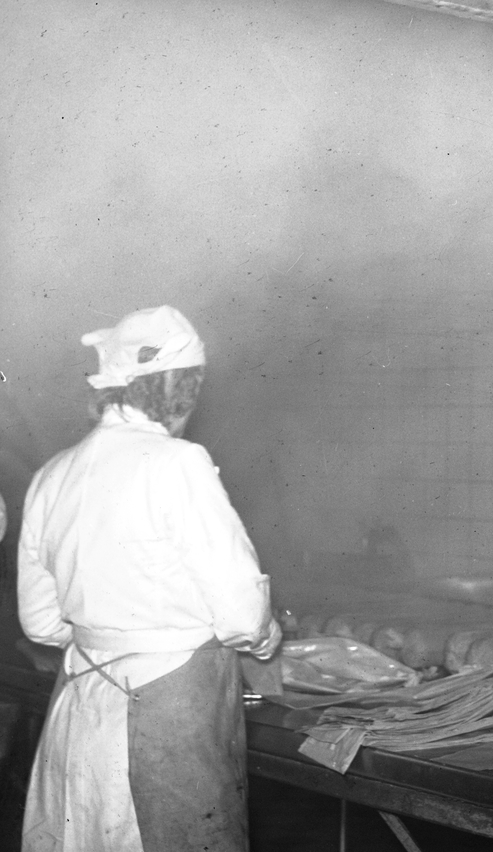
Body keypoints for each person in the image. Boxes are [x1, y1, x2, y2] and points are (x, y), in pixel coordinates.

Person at [17, 305, 281, 852]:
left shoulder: (51, 474)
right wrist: (266, 639)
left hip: (80, 700)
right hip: (169, 709)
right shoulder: (177, 462)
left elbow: (40, 621)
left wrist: (107, 635)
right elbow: (240, 612)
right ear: (177, 390)